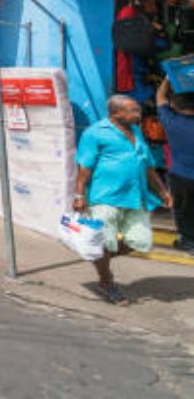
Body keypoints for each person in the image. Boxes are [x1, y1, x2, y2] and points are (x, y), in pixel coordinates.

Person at [74, 95, 173, 305]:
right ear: (117, 113)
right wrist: (79, 195)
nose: (138, 115)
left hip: (136, 196)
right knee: (105, 241)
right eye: (133, 111)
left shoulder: (136, 132)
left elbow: (147, 165)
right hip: (105, 197)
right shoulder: (95, 133)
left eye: (138, 110)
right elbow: (84, 168)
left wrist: (163, 191)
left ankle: (98, 255)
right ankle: (106, 281)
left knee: (140, 241)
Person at [157, 78, 194, 252]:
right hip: (182, 174)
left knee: (182, 209)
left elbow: (160, 98)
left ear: (174, 106)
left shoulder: (171, 121)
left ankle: (187, 241)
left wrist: (168, 78)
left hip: (180, 176)